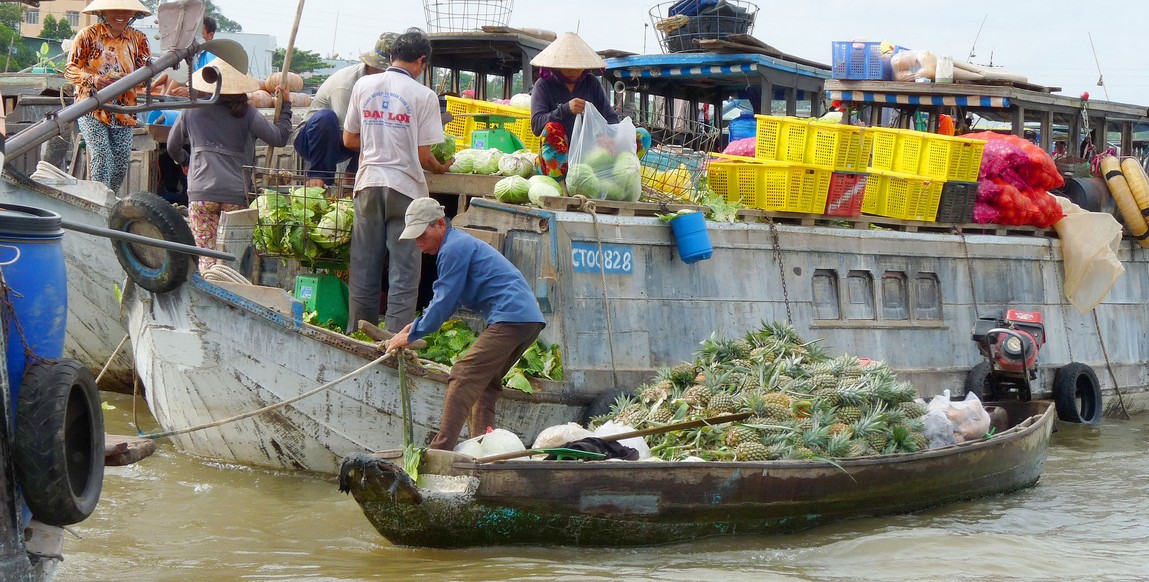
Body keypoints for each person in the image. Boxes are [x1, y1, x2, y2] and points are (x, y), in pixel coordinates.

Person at [386, 198, 546, 451]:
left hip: (512, 318)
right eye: (415, 238)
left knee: (462, 375)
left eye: (422, 236)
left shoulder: (453, 248)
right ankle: (484, 449)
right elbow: (444, 301)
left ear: (440, 224)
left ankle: (440, 450)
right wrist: (414, 326)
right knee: (484, 386)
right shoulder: (455, 247)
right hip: (526, 320)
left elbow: (444, 299)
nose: (419, 244)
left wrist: (414, 332)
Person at [343, 28, 452, 334]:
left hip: (368, 184)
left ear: (391, 56)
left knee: (364, 265)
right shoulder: (424, 95)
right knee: (404, 270)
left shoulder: (364, 85)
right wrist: (440, 169)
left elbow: (349, 138)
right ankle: (395, 341)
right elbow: (423, 155)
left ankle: (359, 333)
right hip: (405, 189)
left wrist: (378, 138)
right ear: (421, 61)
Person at [166, 58, 292, 272]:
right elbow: (279, 137)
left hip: (201, 194)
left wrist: (186, 161)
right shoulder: (247, 113)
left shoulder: (191, 110)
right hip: (235, 195)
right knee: (230, 261)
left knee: (207, 256)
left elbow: (172, 146)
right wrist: (286, 106)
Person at [65, 0, 152, 193]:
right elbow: (70, 69)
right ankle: (98, 199)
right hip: (91, 106)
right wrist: (93, 79)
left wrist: (129, 80)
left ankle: (108, 198)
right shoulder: (88, 35)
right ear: (104, 11)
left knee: (121, 160)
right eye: (114, 10)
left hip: (124, 109)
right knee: (102, 155)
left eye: (125, 11)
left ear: (132, 14)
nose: (120, 15)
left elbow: (146, 74)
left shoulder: (139, 39)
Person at [295, 32, 397, 187]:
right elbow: (348, 137)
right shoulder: (346, 85)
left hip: (346, 140)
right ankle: (319, 178)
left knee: (377, 129)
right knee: (326, 117)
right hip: (313, 138)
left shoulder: (383, 86)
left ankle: (352, 177)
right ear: (375, 66)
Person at [150, 16, 218, 97]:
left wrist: (191, 91)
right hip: (193, 86)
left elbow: (213, 85)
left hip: (204, 96)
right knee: (177, 69)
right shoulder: (195, 52)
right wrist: (155, 84)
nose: (193, 37)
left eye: (199, 34)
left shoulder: (212, 56)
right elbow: (175, 70)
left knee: (180, 70)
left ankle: (165, 102)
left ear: (210, 35)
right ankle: (164, 100)